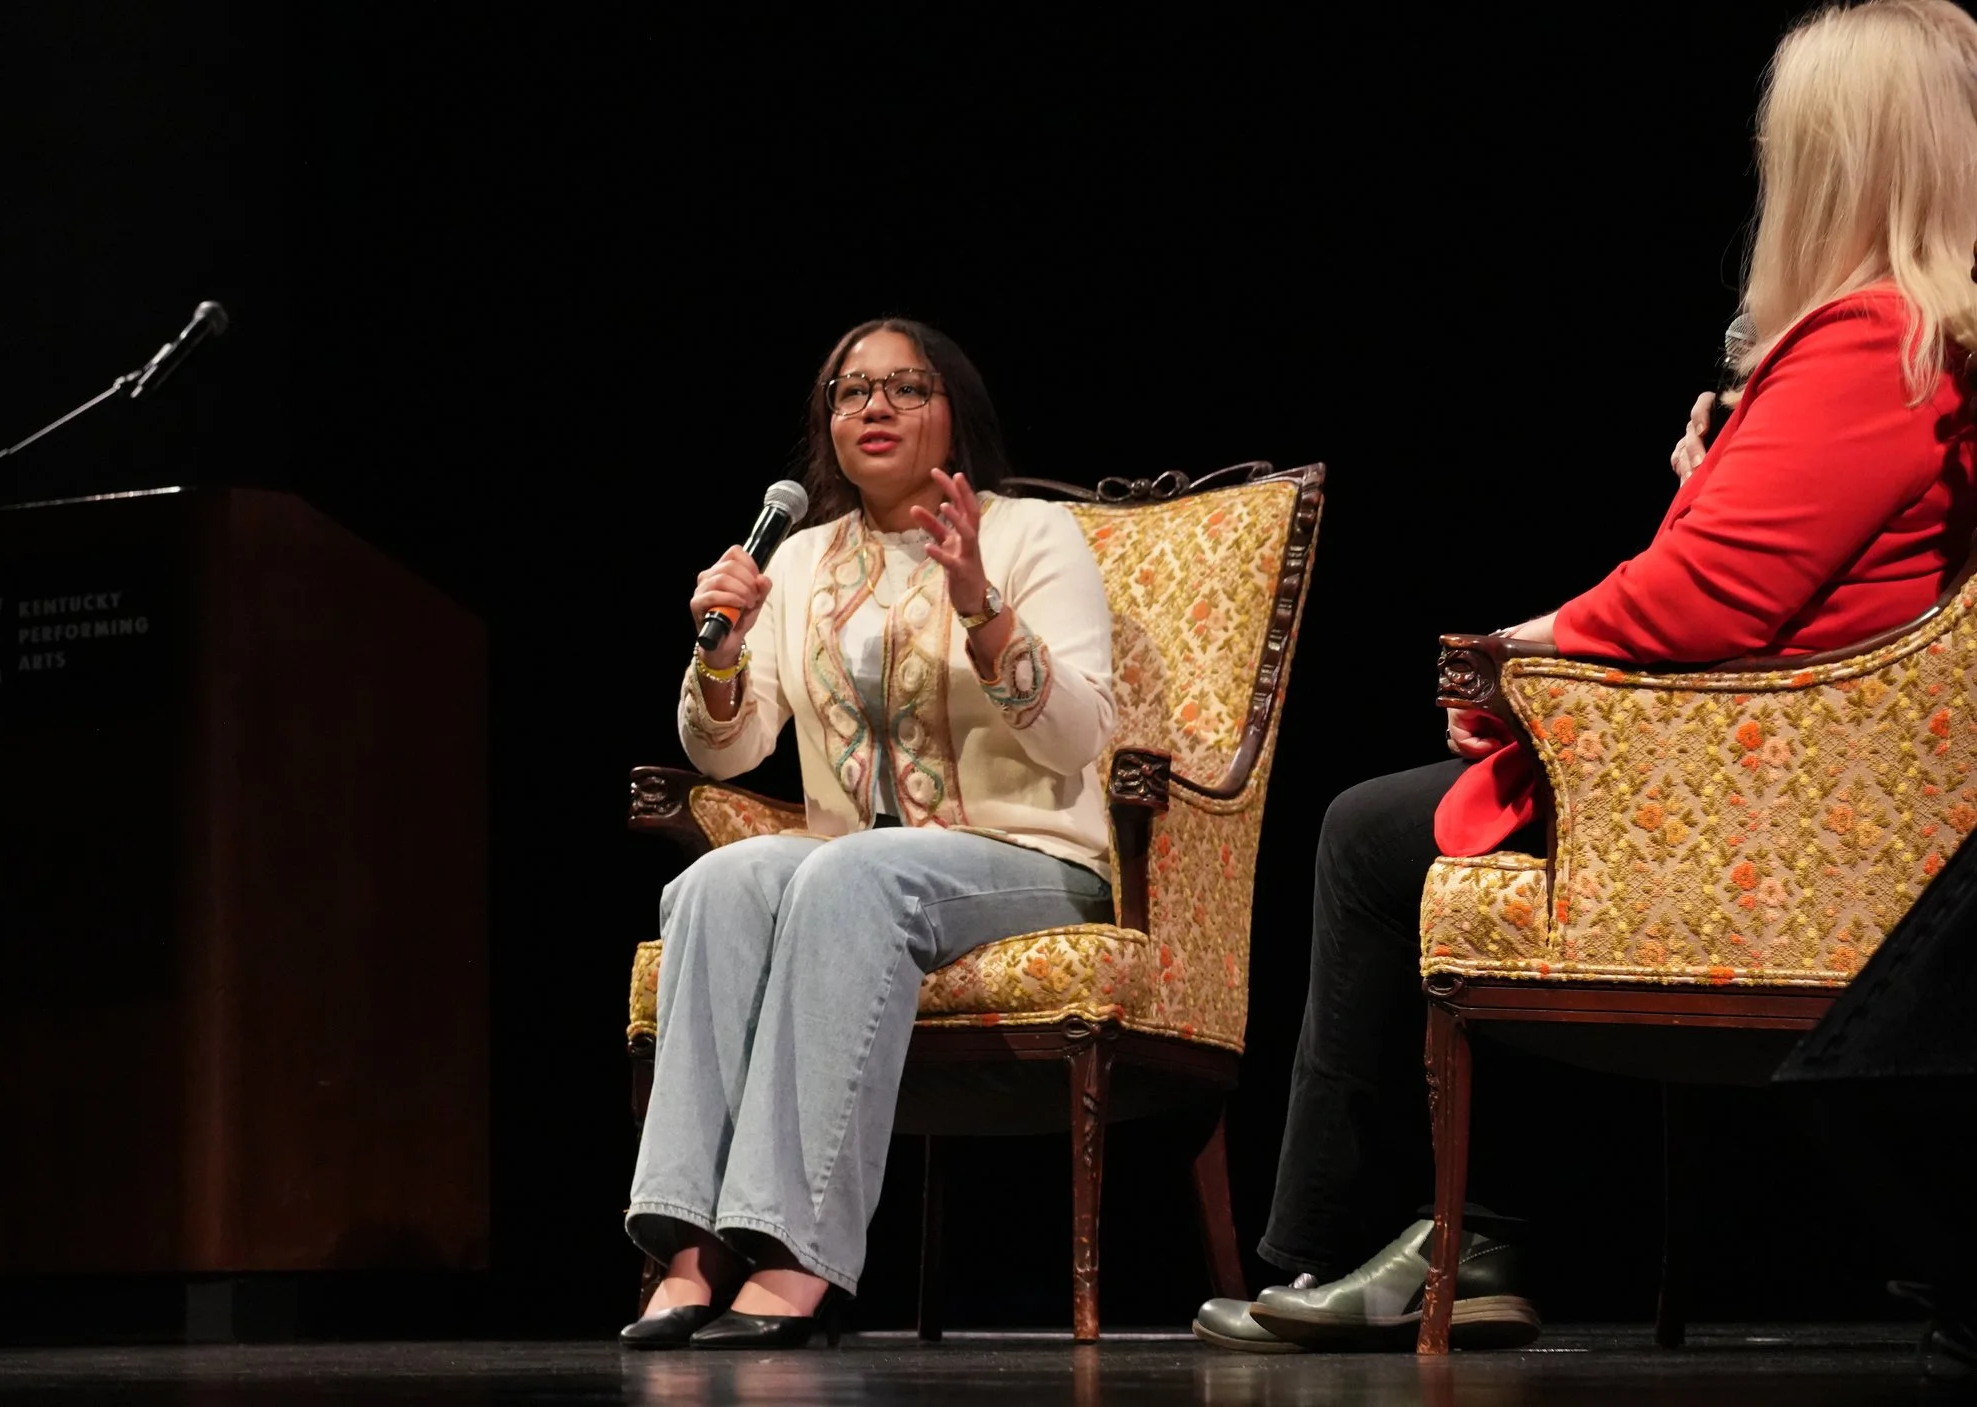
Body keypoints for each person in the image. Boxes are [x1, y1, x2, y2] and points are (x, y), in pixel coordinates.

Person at [1198, 0, 1977, 1355]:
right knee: (1435, 825)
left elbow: (1703, 598)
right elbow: (1771, 581)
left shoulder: (1874, 339)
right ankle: (1469, 1237)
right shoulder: (1922, 344)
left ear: (1835, 156)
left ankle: (1350, 1244)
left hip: (1768, 809)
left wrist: (1525, 652)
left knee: (1372, 834)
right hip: (1796, 768)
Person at [621, 318, 1122, 1349]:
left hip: (1031, 861)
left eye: (906, 387)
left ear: (953, 410)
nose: (876, 408)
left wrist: (982, 607)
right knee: (721, 881)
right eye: (852, 392)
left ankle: (795, 1252)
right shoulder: (801, 557)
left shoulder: (1032, 535)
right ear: (829, 423)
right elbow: (726, 750)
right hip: (855, 868)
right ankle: (690, 1246)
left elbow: (1081, 737)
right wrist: (721, 652)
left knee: (848, 874)